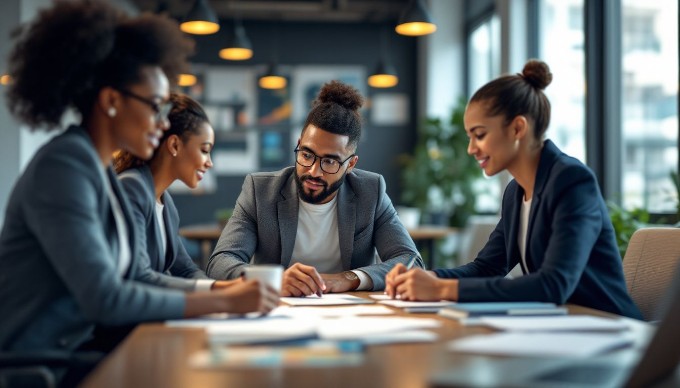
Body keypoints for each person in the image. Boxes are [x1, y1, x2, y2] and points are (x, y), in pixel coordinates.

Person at [0, 0, 279, 379]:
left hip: (82, 353)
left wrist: (221, 296)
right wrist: (222, 300)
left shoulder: (98, 172)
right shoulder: (63, 167)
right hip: (44, 366)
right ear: (112, 101)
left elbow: (135, 276)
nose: (162, 123)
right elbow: (107, 298)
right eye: (155, 107)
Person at [385, 59, 642, 319]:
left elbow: (554, 285)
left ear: (518, 128)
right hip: (560, 327)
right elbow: (487, 268)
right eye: (469, 137)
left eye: (480, 135)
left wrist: (442, 288)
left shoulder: (572, 181)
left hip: (607, 326)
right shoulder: (515, 193)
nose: (471, 149)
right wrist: (430, 276)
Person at [206, 80, 422, 296]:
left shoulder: (370, 191)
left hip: (349, 314)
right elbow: (220, 262)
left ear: (351, 164)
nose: (314, 171)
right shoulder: (260, 191)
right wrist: (274, 280)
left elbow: (410, 261)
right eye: (307, 155)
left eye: (329, 162)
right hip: (278, 310)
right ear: (299, 144)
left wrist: (349, 278)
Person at [114, 92, 238, 291]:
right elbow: (139, 276)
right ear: (174, 145)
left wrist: (227, 288)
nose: (210, 163)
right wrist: (221, 292)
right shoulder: (132, 187)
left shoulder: (166, 203)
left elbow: (187, 270)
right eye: (204, 150)